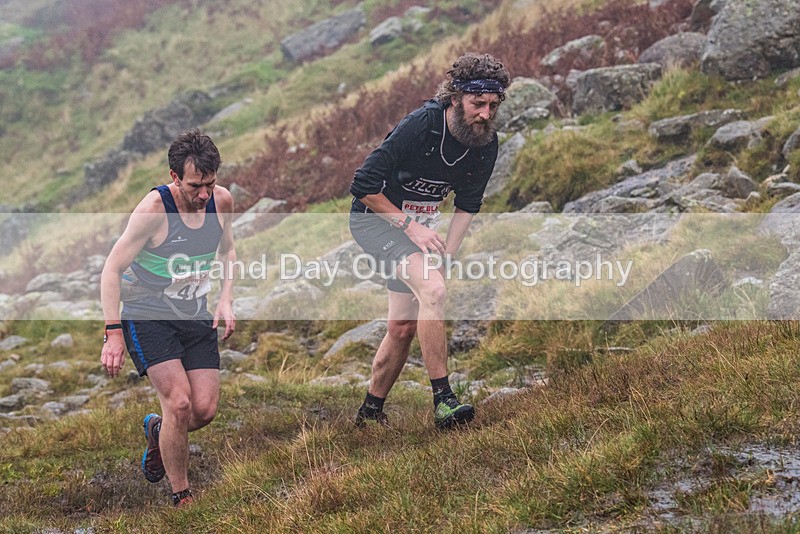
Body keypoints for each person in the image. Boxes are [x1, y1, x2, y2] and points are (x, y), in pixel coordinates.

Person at [349, 53, 510, 429]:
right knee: (433, 292)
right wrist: (411, 226)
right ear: (455, 97)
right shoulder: (421, 126)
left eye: (493, 105)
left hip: (416, 229)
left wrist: (446, 256)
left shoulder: (485, 144)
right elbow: (363, 185)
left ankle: (370, 413)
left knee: (402, 327)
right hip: (374, 221)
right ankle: (444, 401)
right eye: (477, 104)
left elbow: (468, 205)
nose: (485, 114)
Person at [100, 129, 236, 507]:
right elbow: (111, 269)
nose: (204, 194)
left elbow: (228, 251)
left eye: (210, 183)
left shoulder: (221, 201)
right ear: (174, 177)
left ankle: (159, 431)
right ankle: (182, 494)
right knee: (178, 402)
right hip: (148, 315)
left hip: (195, 314)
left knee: (203, 410)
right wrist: (113, 333)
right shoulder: (153, 211)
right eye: (195, 186)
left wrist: (226, 299)